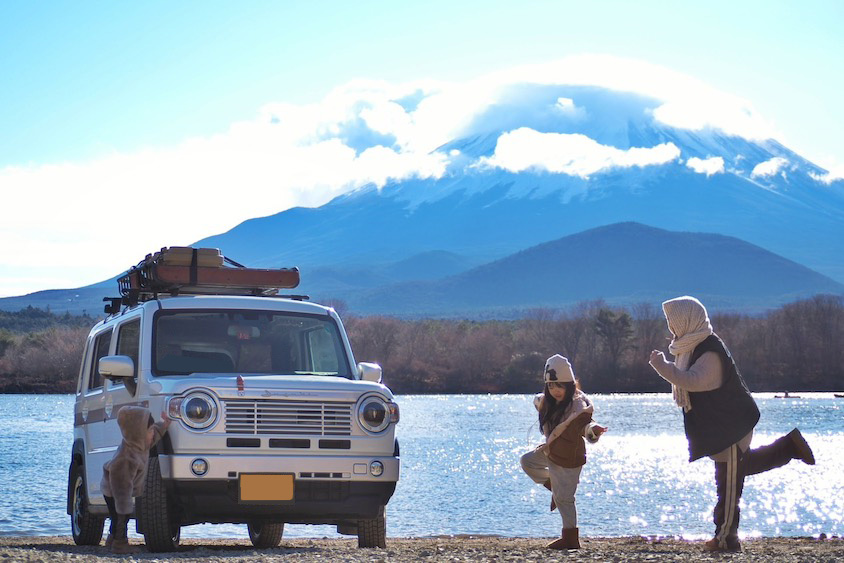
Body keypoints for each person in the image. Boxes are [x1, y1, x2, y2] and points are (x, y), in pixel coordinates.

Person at [648, 296, 816, 553]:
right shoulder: (691, 348)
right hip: (722, 428)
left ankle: (726, 538)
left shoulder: (710, 351)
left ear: (687, 320)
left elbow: (692, 381)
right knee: (735, 472)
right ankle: (789, 447)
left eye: (674, 322)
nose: (671, 328)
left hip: (731, 426)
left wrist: (662, 367)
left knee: (728, 487)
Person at [520, 354, 607, 550]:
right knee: (528, 461)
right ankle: (554, 486)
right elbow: (539, 402)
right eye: (551, 386)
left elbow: (585, 426)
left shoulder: (577, 407)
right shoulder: (549, 404)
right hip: (551, 452)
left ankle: (570, 537)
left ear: (569, 385)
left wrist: (594, 431)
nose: (555, 390)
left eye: (559, 385)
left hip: (569, 458)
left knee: (565, 500)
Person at [101, 406, 171, 554]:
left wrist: (165, 423)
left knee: (117, 517)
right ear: (138, 434)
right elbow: (121, 488)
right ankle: (120, 544)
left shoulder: (140, 446)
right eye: (150, 431)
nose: (153, 433)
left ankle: (111, 540)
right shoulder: (126, 458)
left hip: (120, 488)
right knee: (122, 515)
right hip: (114, 490)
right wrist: (125, 505)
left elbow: (156, 435)